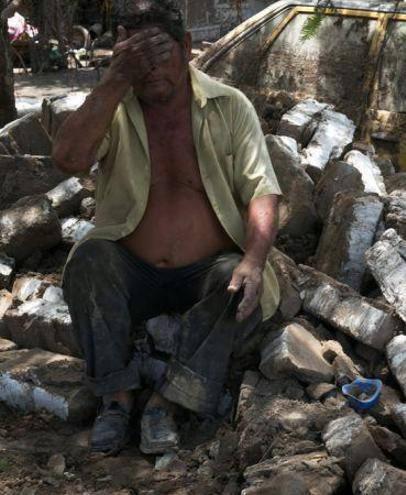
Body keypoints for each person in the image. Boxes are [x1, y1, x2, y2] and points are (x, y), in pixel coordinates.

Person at [52, 0, 281, 455]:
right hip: (132, 267)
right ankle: (115, 397)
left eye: (160, 55)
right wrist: (116, 78)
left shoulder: (229, 105)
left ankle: (167, 402)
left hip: (207, 270)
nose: (151, 70)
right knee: (89, 261)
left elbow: (263, 190)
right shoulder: (113, 107)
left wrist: (254, 262)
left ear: (188, 47)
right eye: (137, 59)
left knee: (239, 287)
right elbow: (68, 159)